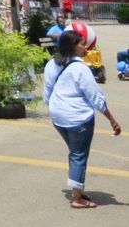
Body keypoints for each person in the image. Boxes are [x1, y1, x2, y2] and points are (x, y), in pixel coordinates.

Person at [44, 29, 121, 208]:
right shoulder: (80, 68)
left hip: (58, 117)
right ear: (72, 47)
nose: (85, 47)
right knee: (79, 155)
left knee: (75, 152)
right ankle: (77, 198)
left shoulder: (52, 64)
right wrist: (112, 119)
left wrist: (55, 110)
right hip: (77, 118)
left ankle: (76, 188)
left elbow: (47, 92)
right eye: (82, 43)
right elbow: (95, 96)